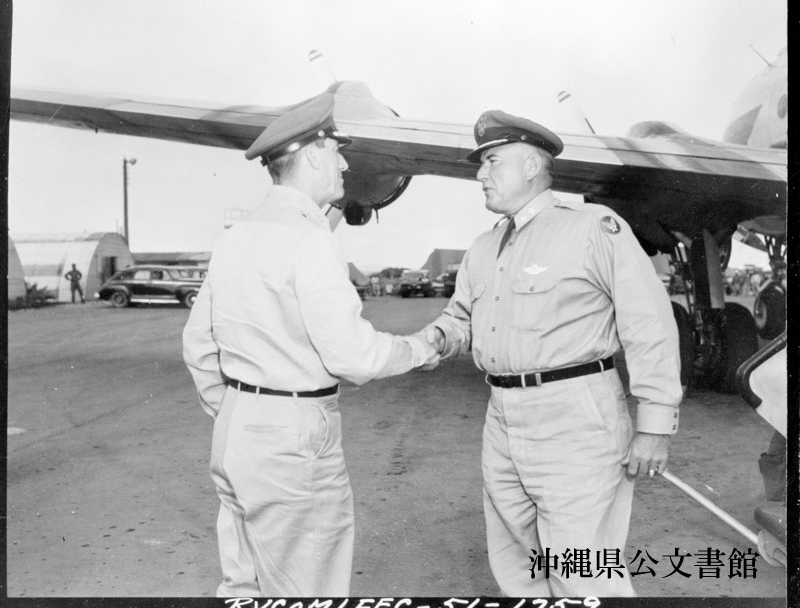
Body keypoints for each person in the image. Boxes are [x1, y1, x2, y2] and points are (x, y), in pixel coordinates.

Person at [182, 93, 438, 598]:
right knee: (309, 586)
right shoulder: (311, 240)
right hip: (293, 439)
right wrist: (420, 350)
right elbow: (353, 356)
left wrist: (239, 410)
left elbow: (198, 344)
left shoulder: (236, 235)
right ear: (314, 157)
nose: (344, 164)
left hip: (237, 433)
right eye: (336, 152)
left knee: (244, 584)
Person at [423, 110, 683, 597]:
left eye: (492, 161)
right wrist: (431, 340)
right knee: (517, 563)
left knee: (582, 569)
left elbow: (649, 324)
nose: (480, 175)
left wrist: (655, 425)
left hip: (577, 416)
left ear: (530, 166)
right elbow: (461, 320)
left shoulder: (593, 228)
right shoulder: (483, 247)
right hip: (501, 416)